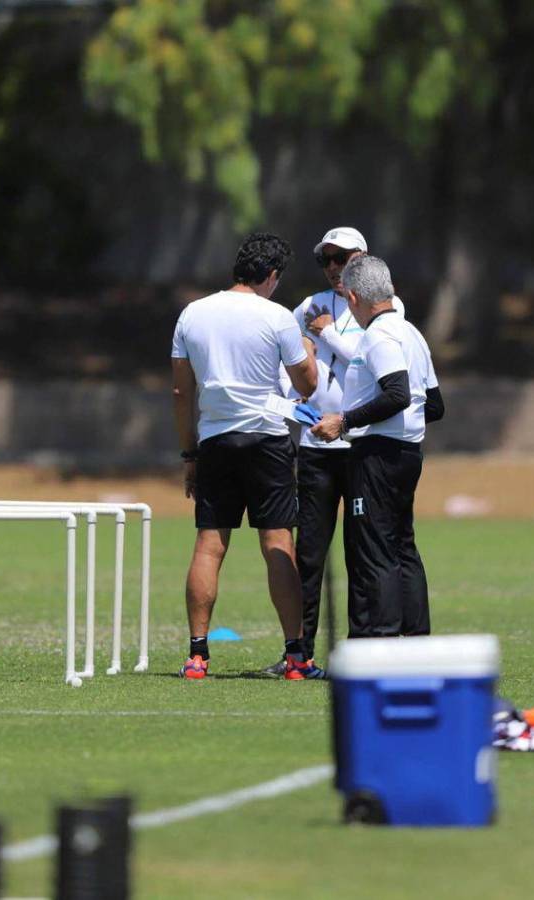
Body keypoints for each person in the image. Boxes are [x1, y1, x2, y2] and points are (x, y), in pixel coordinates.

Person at [171, 232, 323, 680]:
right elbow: (307, 385)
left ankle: (197, 656)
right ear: (272, 275)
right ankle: (296, 656)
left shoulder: (192, 313)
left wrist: (189, 454)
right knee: (277, 543)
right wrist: (308, 349)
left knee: (209, 544)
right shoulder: (277, 316)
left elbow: (182, 392)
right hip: (266, 440)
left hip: (216, 439)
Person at [261, 227, 408, 675]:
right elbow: (288, 363)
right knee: (309, 553)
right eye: (325, 259)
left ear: (361, 257)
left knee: (362, 551)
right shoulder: (308, 306)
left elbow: (367, 359)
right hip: (315, 446)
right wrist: (293, 401)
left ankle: (358, 651)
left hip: (361, 443)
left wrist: (325, 335)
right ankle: (299, 652)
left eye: (341, 258)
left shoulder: (387, 307)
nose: (333, 267)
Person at [311, 254, 444, 638]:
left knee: (375, 550)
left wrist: (344, 421)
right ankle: (414, 640)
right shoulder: (412, 333)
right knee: (403, 547)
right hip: (406, 454)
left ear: (353, 297)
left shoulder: (379, 336)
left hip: (377, 457)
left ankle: (381, 641)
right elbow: (433, 405)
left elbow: (397, 393)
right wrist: (403, 425)